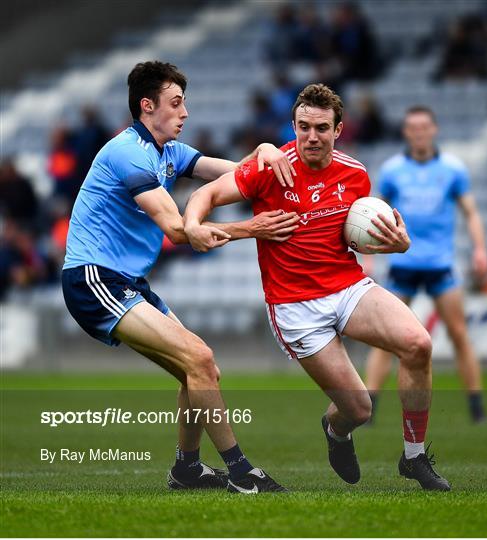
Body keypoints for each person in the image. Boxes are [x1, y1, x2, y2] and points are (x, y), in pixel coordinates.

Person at [184, 84, 451, 491]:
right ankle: (336, 430)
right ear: (293, 126)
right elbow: (205, 194)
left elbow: (361, 235)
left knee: (418, 344)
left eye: (321, 128)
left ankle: (413, 458)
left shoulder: (355, 174)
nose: (311, 136)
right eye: (303, 127)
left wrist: (399, 243)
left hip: (348, 287)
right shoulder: (269, 168)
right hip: (296, 306)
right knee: (358, 408)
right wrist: (193, 225)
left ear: (338, 129)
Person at [62, 61, 301, 494]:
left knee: (200, 370)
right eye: (176, 103)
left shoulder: (168, 152)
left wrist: (265, 150)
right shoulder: (128, 153)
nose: (185, 112)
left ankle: (187, 470)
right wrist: (253, 229)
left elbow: (235, 174)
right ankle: (242, 472)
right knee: (201, 359)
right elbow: (178, 230)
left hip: (127, 283)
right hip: (93, 279)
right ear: (147, 105)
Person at [364, 106, 487, 423]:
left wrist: (480, 249)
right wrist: (367, 256)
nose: (418, 132)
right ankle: (370, 407)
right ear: (406, 132)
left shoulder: (452, 169)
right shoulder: (393, 170)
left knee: (459, 335)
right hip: (402, 264)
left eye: (424, 127)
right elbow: (373, 212)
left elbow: (470, 212)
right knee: (386, 339)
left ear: (433, 130)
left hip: (440, 264)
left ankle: (476, 407)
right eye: (412, 127)